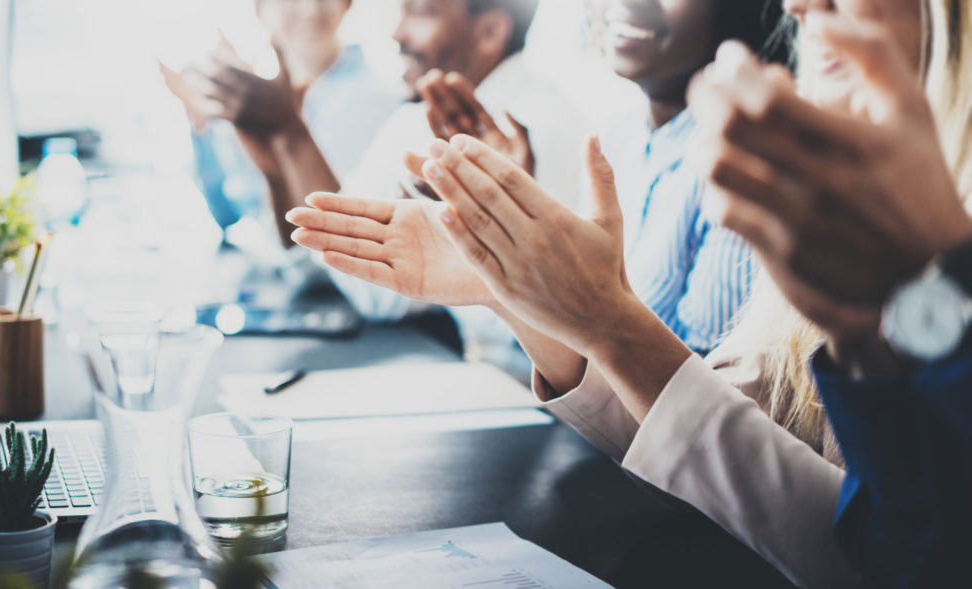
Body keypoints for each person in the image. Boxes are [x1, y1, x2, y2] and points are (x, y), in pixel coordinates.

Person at [286, 1, 971, 587]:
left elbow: (868, 555)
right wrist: (513, 290)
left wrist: (607, 322)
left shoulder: (784, 167)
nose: (798, 4)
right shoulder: (632, 140)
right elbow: (714, 425)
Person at [292, 0, 788, 374]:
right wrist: (506, 237)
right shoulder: (619, 134)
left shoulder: (751, 167)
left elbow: (703, 409)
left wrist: (510, 243)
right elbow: (581, 356)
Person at [689, 2, 972, 585]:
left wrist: (937, 277)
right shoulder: (836, 205)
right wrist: (868, 342)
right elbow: (910, 554)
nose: (796, 5)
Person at [160, 0, 399, 238]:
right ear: (260, 10)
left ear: (347, 5)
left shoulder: (369, 103)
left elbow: (334, 249)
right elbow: (229, 215)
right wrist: (201, 121)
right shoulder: (266, 103)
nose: (310, 10)